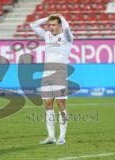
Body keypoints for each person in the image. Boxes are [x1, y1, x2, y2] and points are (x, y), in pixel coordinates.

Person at [30, 14, 74, 145]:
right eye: (50, 25)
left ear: (60, 25)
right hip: (46, 74)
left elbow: (67, 27)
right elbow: (33, 25)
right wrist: (47, 19)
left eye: (54, 25)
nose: (51, 27)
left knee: (61, 105)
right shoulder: (47, 35)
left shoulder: (67, 37)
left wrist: (61, 16)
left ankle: (62, 136)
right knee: (48, 105)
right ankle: (51, 136)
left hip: (60, 73)